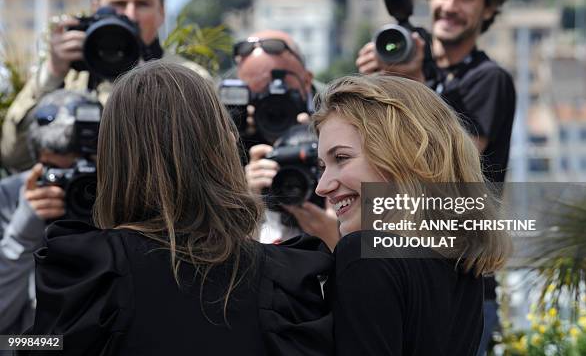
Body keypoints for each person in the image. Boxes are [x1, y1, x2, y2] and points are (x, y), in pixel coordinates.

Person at [23, 61, 332, 356]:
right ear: (222, 147)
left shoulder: (89, 275)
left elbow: (39, 345)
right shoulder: (285, 278)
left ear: (113, 157)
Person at [356, 0, 515, 351]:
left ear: (489, 7)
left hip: (459, 281)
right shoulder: (410, 63)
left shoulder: (488, 79)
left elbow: (449, 166)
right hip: (396, 267)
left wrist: (415, 85)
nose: (450, 5)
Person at [313, 74, 512, 355]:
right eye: (321, 166)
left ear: (403, 155)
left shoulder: (365, 254)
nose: (322, 186)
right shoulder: (463, 265)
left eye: (341, 158)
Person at [2, 0, 210, 173]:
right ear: (96, 8)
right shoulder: (71, 75)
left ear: (161, 12)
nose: (130, 15)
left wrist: (145, 81)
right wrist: (53, 74)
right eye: (118, 4)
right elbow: (14, 157)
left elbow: (204, 165)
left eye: (143, 4)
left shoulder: (189, 79)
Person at [0, 90, 97, 340]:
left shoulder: (118, 198)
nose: (70, 183)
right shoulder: (9, 197)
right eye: (55, 171)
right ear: (36, 163)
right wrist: (22, 233)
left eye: (82, 168)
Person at [235, 30, 338, 248]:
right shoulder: (226, 144)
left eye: (283, 90)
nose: (272, 105)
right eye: (256, 94)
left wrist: (341, 239)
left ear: (307, 80)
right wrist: (244, 202)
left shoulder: (343, 122)